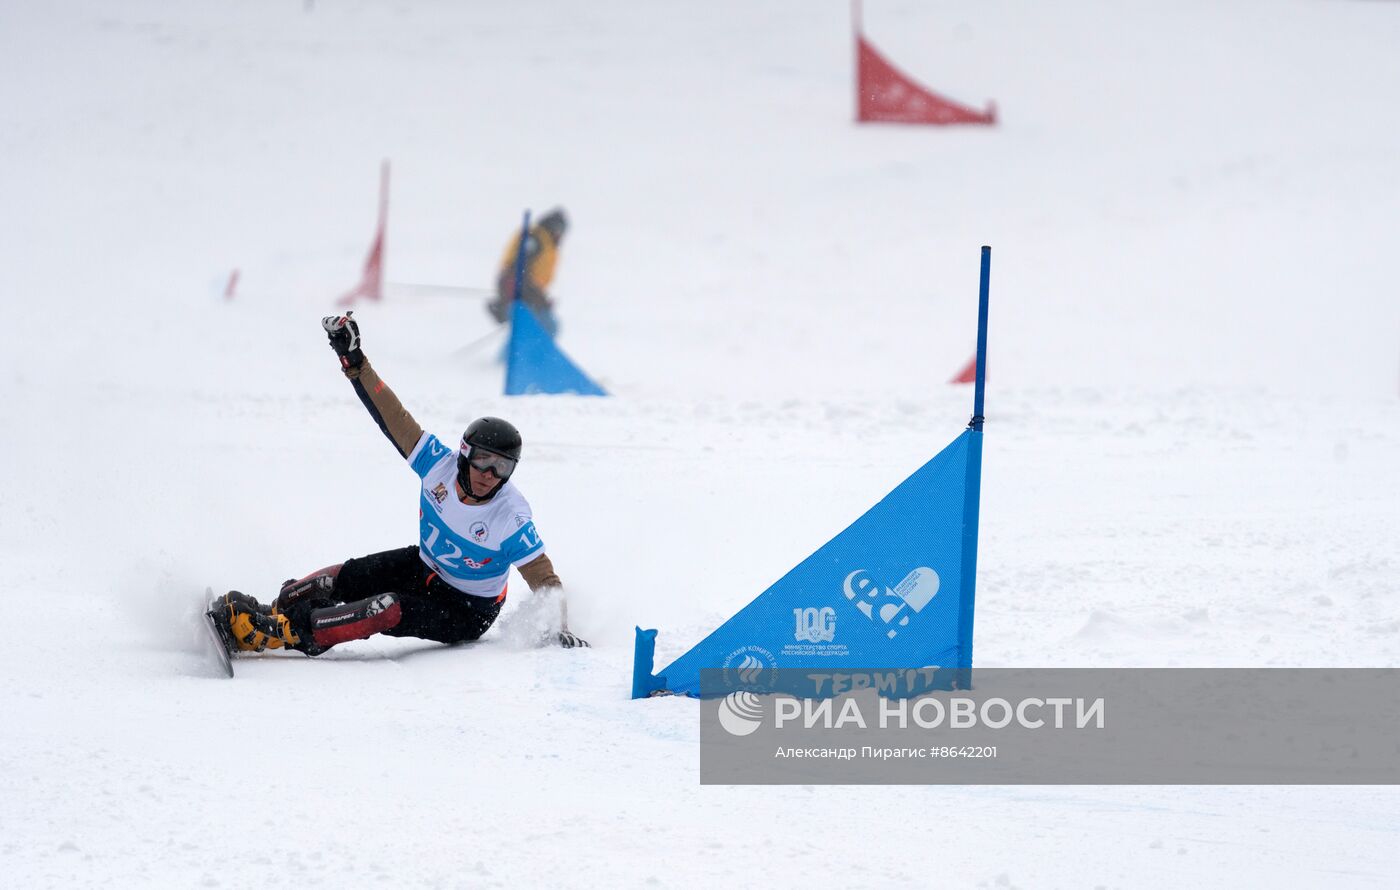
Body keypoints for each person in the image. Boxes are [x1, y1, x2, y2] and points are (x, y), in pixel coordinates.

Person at [210, 311, 589, 657]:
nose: (490, 474)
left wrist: (560, 626)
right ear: (464, 454)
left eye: (503, 468)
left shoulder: (510, 515)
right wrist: (355, 363)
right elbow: (392, 415)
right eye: (483, 461)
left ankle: (274, 633)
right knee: (333, 581)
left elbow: (544, 578)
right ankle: (271, 611)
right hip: (423, 565)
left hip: (468, 610)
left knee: (385, 609)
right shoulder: (437, 465)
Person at [486, 207, 568, 336]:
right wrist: (538, 299)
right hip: (518, 290)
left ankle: (512, 355)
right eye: (559, 230)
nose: (560, 235)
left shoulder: (546, 243)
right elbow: (519, 271)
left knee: (527, 329)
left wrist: (540, 298)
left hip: (527, 292)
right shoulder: (536, 239)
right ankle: (530, 354)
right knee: (546, 324)